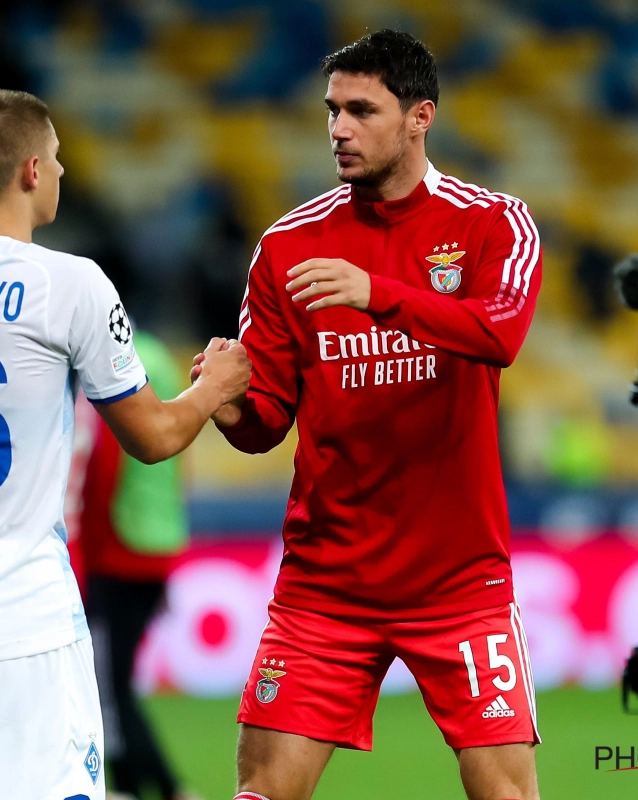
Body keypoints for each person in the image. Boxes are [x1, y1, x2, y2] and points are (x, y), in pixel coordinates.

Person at [0, 88, 250, 800]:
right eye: (57, 159)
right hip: (17, 626)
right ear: (31, 170)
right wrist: (215, 384)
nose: (61, 173)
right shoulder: (69, 284)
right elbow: (153, 437)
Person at [191, 30, 542, 800]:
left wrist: (378, 294)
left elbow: (499, 334)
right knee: (261, 792)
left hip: (459, 580)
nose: (339, 129)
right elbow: (266, 423)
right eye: (331, 110)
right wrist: (225, 399)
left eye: (361, 110)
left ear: (421, 117)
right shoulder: (287, 245)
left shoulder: (493, 223)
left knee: (507, 795)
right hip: (327, 583)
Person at [79, 328, 200, 800]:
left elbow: (107, 462)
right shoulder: (159, 357)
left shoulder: (109, 363)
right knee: (114, 682)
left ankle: (151, 788)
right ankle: (158, 788)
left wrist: (84, 554)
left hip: (116, 548)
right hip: (157, 541)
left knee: (105, 686)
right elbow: (177, 454)